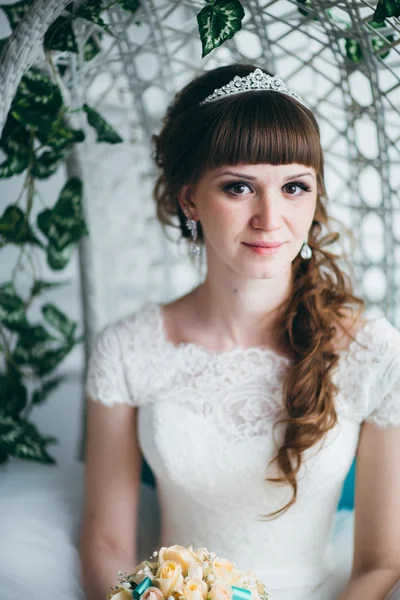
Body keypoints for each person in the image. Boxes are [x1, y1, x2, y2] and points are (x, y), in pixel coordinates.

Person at [80, 64, 400, 600]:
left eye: (294, 187)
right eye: (239, 187)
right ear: (189, 200)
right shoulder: (126, 351)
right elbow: (107, 545)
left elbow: (381, 561)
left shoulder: (373, 350)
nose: (270, 218)